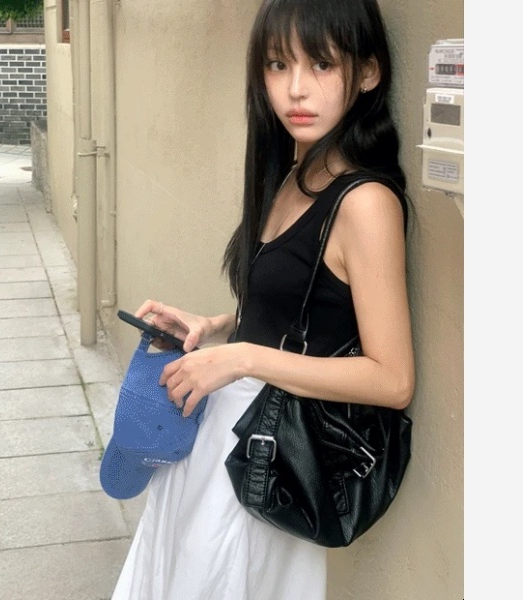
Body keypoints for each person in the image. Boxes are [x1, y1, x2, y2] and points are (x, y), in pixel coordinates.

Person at [111, 0, 415, 598]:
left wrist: (242, 359)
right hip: (224, 442)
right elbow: (303, 312)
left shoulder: (365, 203)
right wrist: (217, 327)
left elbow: (392, 379)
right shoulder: (294, 173)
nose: (296, 89)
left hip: (268, 463)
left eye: (322, 64)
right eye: (278, 64)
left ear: (368, 72)